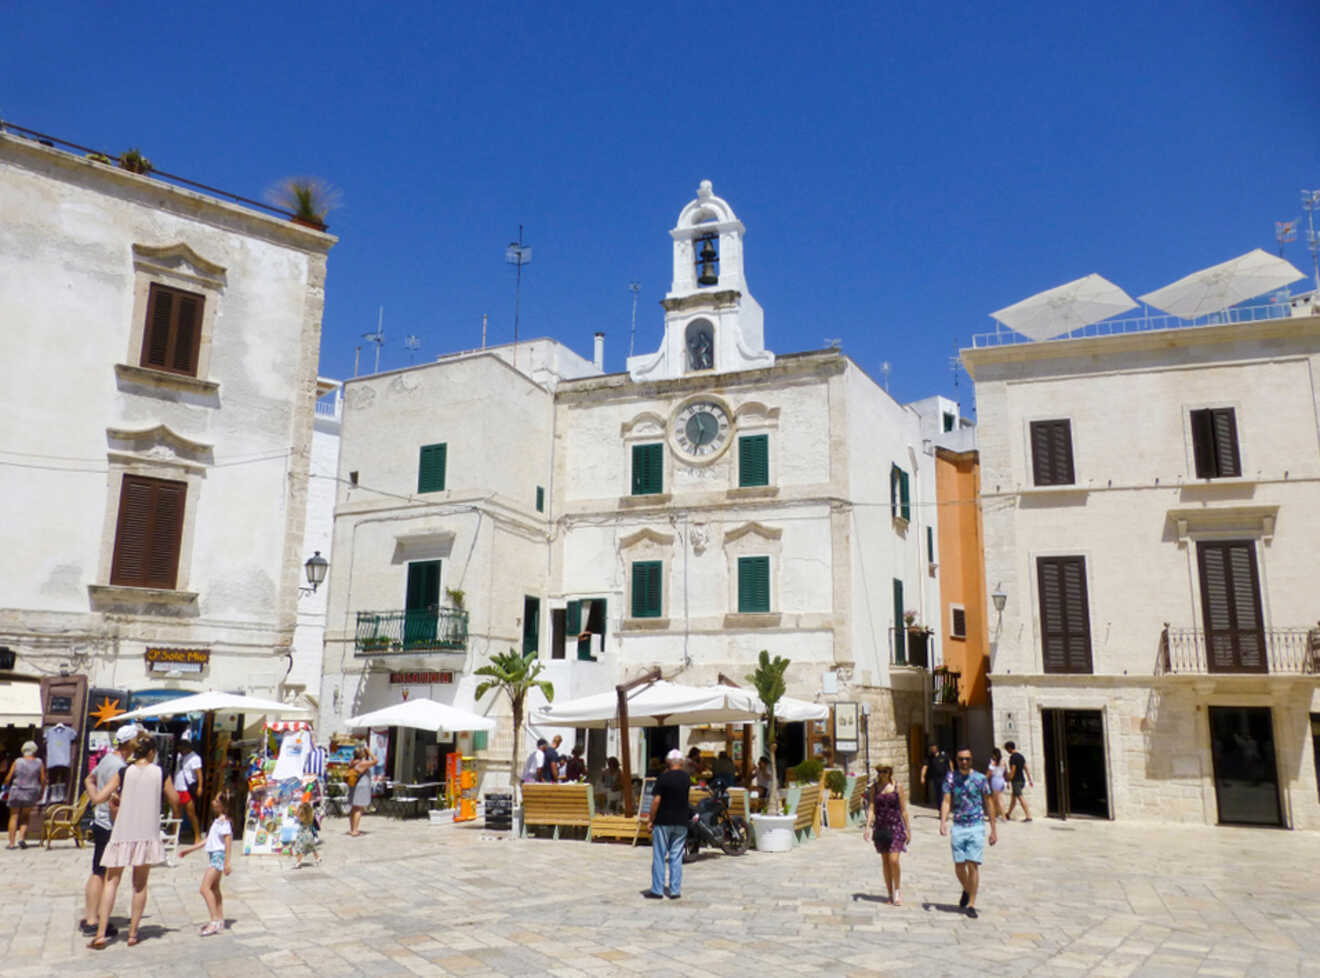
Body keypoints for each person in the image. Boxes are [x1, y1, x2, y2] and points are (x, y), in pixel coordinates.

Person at [87, 731, 180, 948]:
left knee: (112, 881)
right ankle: (132, 934)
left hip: (122, 832)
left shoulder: (124, 771)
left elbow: (99, 798)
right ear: (153, 752)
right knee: (140, 885)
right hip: (146, 833)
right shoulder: (161, 772)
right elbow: (175, 799)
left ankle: (101, 934)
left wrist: (90, 785)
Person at [80, 725, 137, 936]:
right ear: (130, 743)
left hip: (100, 822)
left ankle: (90, 916)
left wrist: (95, 799)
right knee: (107, 876)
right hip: (111, 826)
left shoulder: (106, 759)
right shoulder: (119, 767)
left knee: (97, 871)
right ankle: (96, 921)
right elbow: (115, 801)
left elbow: (89, 779)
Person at [939, 747, 997, 919]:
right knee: (959, 865)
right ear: (956, 761)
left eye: (967, 759)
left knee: (973, 864)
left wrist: (993, 829)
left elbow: (989, 802)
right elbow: (947, 801)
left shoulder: (980, 779)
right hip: (958, 826)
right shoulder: (951, 778)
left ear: (971, 760)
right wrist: (943, 821)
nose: (964, 762)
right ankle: (967, 888)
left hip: (976, 825)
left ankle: (971, 903)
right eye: (961, 759)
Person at [180, 791, 233, 935]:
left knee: (205, 888)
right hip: (214, 856)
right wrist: (189, 850)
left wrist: (227, 862)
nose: (213, 803)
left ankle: (214, 920)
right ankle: (220, 918)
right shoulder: (217, 822)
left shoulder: (224, 822)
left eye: (216, 801)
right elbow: (207, 840)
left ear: (223, 805)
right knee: (214, 889)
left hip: (218, 857)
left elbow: (228, 842)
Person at [643, 749, 690, 900]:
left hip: (663, 821)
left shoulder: (663, 778)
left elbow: (656, 801)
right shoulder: (686, 778)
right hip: (681, 821)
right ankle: (675, 890)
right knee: (676, 856)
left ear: (668, 762)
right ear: (681, 762)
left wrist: (650, 819)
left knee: (659, 855)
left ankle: (657, 890)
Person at [865, 763, 911, 906]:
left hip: (896, 826)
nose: (882, 774)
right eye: (879, 771)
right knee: (885, 862)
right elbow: (872, 807)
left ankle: (897, 890)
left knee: (894, 860)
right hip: (881, 827)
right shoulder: (874, 788)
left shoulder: (898, 787)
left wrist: (908, 829)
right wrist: (867, 827)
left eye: (885, 771)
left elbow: (903, 810)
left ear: (890, 772)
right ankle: (889, 892)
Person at [3, 740, 45, 849]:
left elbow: (9, 777)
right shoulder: (39, 762)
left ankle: (12, 843)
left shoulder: (18, 761)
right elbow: (43, 779)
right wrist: (42, 791)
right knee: (25, 816)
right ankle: (21, 838)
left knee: (13, 816)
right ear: (34, 751)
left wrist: (5, 784)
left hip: (17, 791)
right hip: (31, 792)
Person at [172, 734, 204, 843]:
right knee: (176, 813)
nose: (180, 751)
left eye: (181, 749)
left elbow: (199, 773)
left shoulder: (195, 758)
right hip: (177, 787)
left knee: (191, 813)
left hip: (187, 788)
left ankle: (197, 835)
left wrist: (200, 786)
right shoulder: (180, 756)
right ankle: (175, 836)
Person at [347, 745, 377, 837]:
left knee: (353, 808)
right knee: (359, 809)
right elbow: (376, 761)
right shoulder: (362, 763)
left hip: (354, 786)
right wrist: (370, 752)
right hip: (361, 787)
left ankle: (352, 828)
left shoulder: (352, 762)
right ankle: (355, 830)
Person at [1003, 741, 1033, 822]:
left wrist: (1007, 779)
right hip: (1022, 780)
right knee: (1013, 798)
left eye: (1007, 749)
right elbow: (1026, 768)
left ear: (1009, 748)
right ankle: (1008, 814)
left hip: (1016, 781)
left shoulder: (1013, 757)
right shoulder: (1021, 756)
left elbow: (1013, 770)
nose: (1007, 751)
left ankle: (1028, 816)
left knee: (1020, 797)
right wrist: (1029, 779)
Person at [288, 801, 320, 869]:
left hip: (303, 836)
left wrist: (293, 809)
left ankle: (298, 863)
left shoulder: (302, 817)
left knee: (299, 849)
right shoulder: (310, 816)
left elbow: (297, 814)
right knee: (312, 848)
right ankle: (317, 858)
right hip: (310, 836)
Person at [920, 744, 951, 808]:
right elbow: (925, 767)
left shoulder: (943, 755)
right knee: (938, 795)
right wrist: (922, 776)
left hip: (944, 778)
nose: (933, 749)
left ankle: (945, 808)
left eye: (934, 747)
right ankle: (940, 809)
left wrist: (952, 774)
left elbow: (950, 763)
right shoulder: (929, 757)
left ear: (937, 748)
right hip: (936, 779)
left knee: (944, 793)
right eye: (932, 748)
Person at [986, 748, 1007, 821]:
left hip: (995, 780)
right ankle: (1001, 816)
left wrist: (984, 780)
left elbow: (989, 773)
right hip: (1002, 780)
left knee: (995, 800)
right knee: (999, 799)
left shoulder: (993, 763)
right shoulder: (1003, 762)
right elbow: (1005, 772)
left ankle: (994, 817)